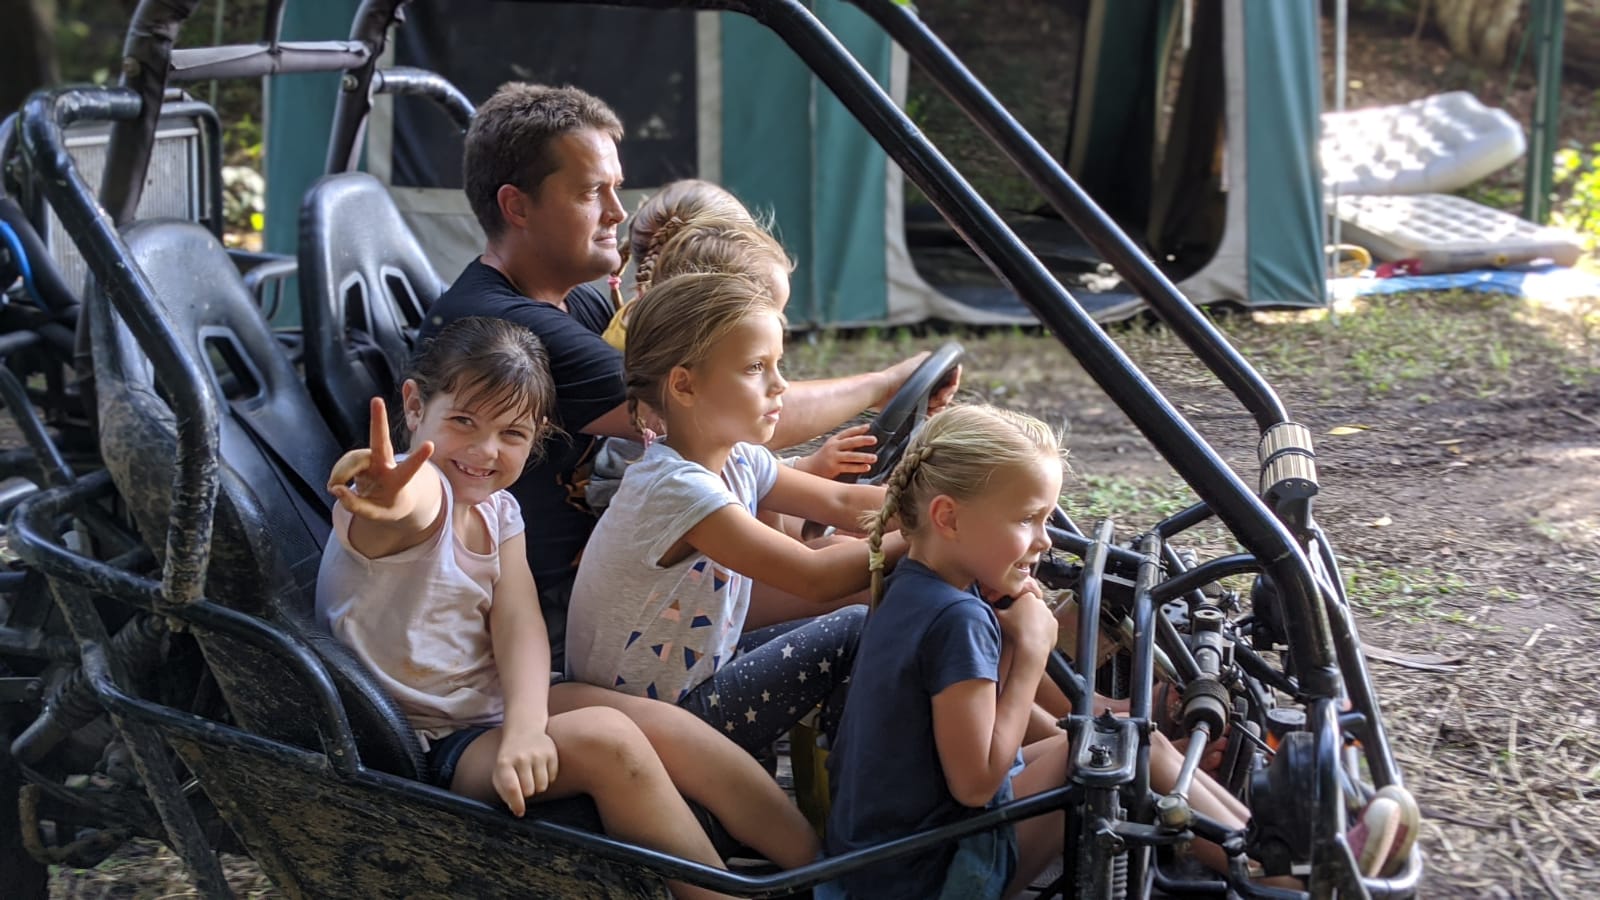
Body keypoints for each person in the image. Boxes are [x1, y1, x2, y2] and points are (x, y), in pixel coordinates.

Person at [417, 84, 956, 669]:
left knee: (896, 559)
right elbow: (712, 413)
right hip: (587, 616)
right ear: (517, 207)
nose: (617, 213)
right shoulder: (505, 328)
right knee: (910, 588)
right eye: (592, 192)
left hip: (662, 568)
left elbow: (744, 437)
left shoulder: (580, 305)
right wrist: (886, 383)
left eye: (616, 189)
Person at [315, 317, 818, 899]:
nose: (484, 450)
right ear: (414, 404)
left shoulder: (498, 511)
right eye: (462, 422)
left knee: (658, 723)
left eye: (512, 433)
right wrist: (390, 492)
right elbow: (416, 504)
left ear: (537, 436)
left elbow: (519, 624)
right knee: (607, 738)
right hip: (428, 742)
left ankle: (824, 871)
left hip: (487, 707)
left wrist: (526, 726)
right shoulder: (402, 500)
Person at [820, 404, 1305, 899]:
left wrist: (1012, 637)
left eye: (1046, 518)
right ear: (948, 517)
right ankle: (1278, 874)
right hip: (929, 880)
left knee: (1131, 742)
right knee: (1124, 747)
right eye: (1027, 519)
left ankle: (1268, 850)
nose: (1045, 539)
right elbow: (976, 784)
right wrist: (1032, 649)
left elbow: (979, 721)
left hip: (884, 865)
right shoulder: (956, 619)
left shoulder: (911, 585)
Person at [565, 271, 907, 756]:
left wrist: (937, 505)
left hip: (699, 677)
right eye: (755, 368)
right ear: (684, 385)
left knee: (869, 598)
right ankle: (858, 780)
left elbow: (843, 504)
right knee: (852, 628)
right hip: (659, 721)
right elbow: (814, 577)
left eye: (777, 365)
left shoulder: (738, 458)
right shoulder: (677, 490)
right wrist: (933, 534)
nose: (780, 384)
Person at [587, 180, 879, 514]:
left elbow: (769, 492)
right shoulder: (671, 482)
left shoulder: (723, 448)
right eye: (755, 365)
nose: (781, 384)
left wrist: (808, 467)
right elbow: (777, 541)